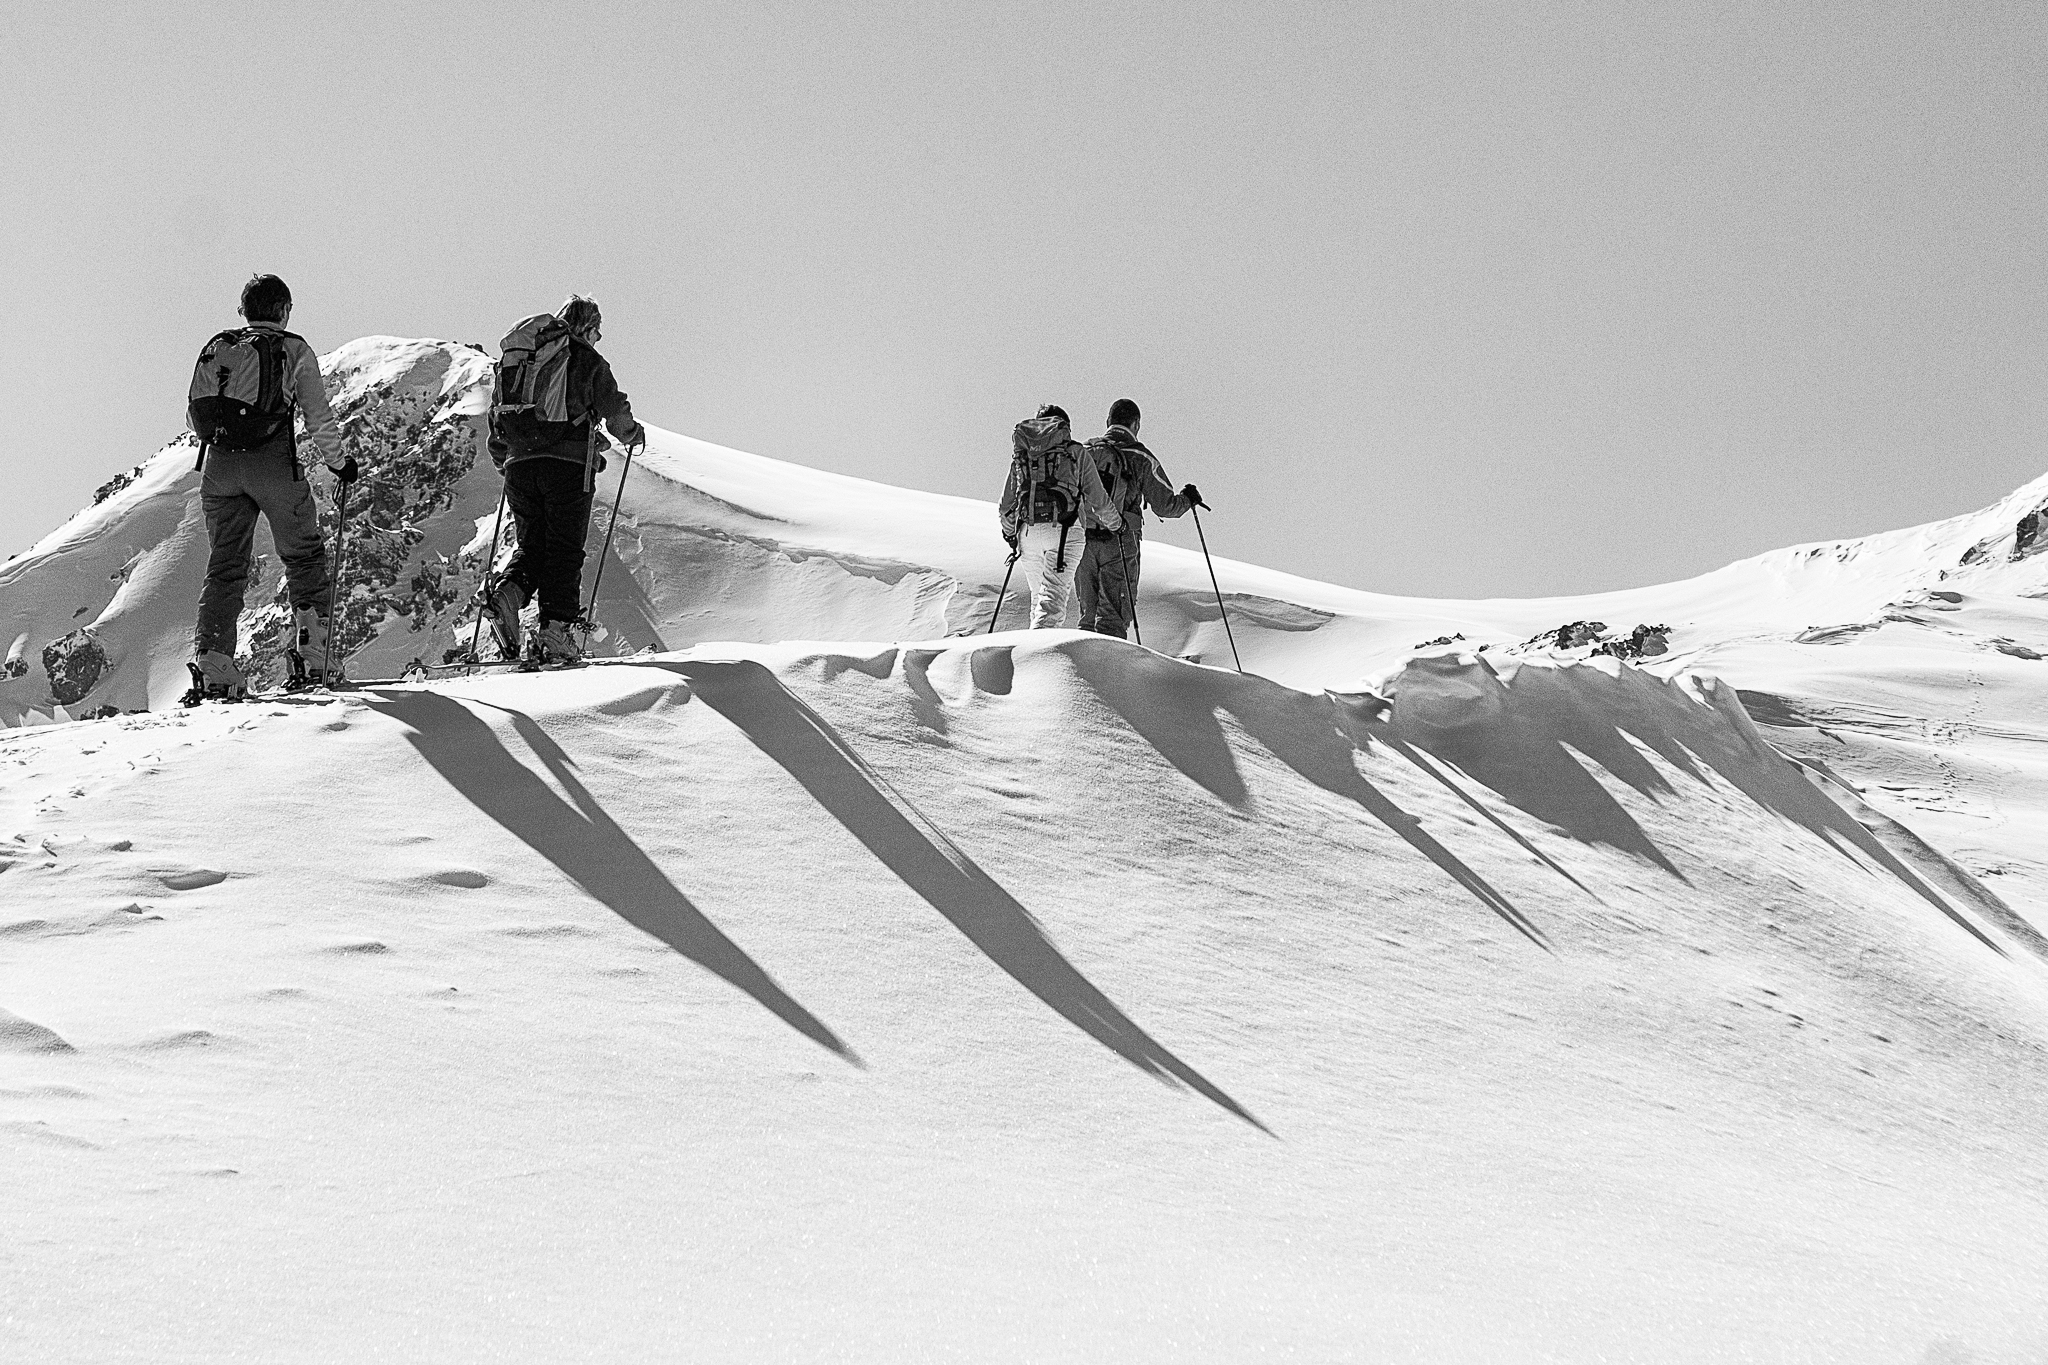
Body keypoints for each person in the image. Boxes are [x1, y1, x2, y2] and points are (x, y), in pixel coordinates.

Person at [187, 273, 358, 699]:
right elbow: (317, 415)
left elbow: (193, 417)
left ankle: (214, 663)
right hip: (273, 463)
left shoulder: (219, 348)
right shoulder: (292, 349)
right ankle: (312, 653)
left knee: (226, 566)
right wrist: (340, 465)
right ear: (283, 310)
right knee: (303, 555)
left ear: (244, 311)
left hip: (220, 468)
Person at [482, 295, 646, 663]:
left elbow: (496, 424)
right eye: (597, 332)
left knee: (532, 546)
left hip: (518, 466)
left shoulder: (516, 366)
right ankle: (555, 633)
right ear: (587, 326)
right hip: (568, 466)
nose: (597, 339)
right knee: (564, 548)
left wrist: (507, 465)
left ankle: (506, 596)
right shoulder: (584, 358)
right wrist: (632, 434)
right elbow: (613, 408)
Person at [1077, 398, 1202, 639]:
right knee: (1112, 620)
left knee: (1087, 621)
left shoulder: (1084, 451)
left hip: (1082, 542)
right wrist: (1188, 499)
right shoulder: (1140, 457)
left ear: (1108, 422)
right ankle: (1109, 675)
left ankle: (1082, 674)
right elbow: (1166, 506)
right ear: (1136, 424)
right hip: (1120, 543)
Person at [997, 405, 1120, 628]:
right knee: (1051, 603)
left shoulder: (1023, 455)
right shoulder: (1074, 452)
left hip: (1027, 532)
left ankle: (1029, 654)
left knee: (1038, 599)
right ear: (1065, 428)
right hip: (1066, 531)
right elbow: (1099, 501)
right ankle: (1041, 658)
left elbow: (1006, 504)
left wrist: (1010, 535)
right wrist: (1116, 524)